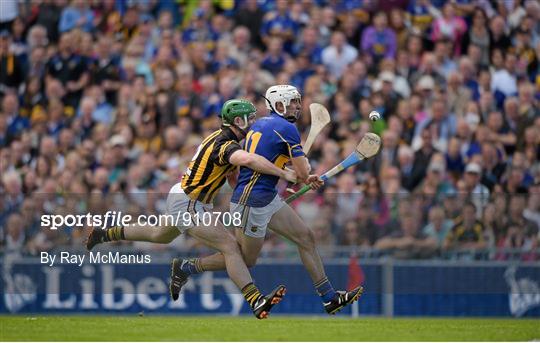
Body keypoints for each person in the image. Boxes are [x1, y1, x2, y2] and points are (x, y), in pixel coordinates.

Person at [86, 99, 298, 319]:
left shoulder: (227, 141)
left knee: (159, 234)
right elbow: (249, 160)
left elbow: (233, 178)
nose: (254, 122)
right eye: (250, 118)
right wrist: (283, 173)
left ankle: (104, 234)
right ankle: (255, 300)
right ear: (238, 121)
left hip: (187, 197)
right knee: (231, 248)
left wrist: (259, 199)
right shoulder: (225, 145)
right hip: (189, 203)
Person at [170, 85, 364, 315]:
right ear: (279, 104)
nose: (297, 106)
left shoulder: (261, 124)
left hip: (265, 196)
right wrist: (304, 175)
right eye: (292, 102)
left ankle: (329, 297)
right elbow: (298, 172)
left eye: (297, 101)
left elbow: (276, 164)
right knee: (245, 259)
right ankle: (187, 267)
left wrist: (302, 176)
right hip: (252, 202)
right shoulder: (287, 129)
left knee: (305, 238)